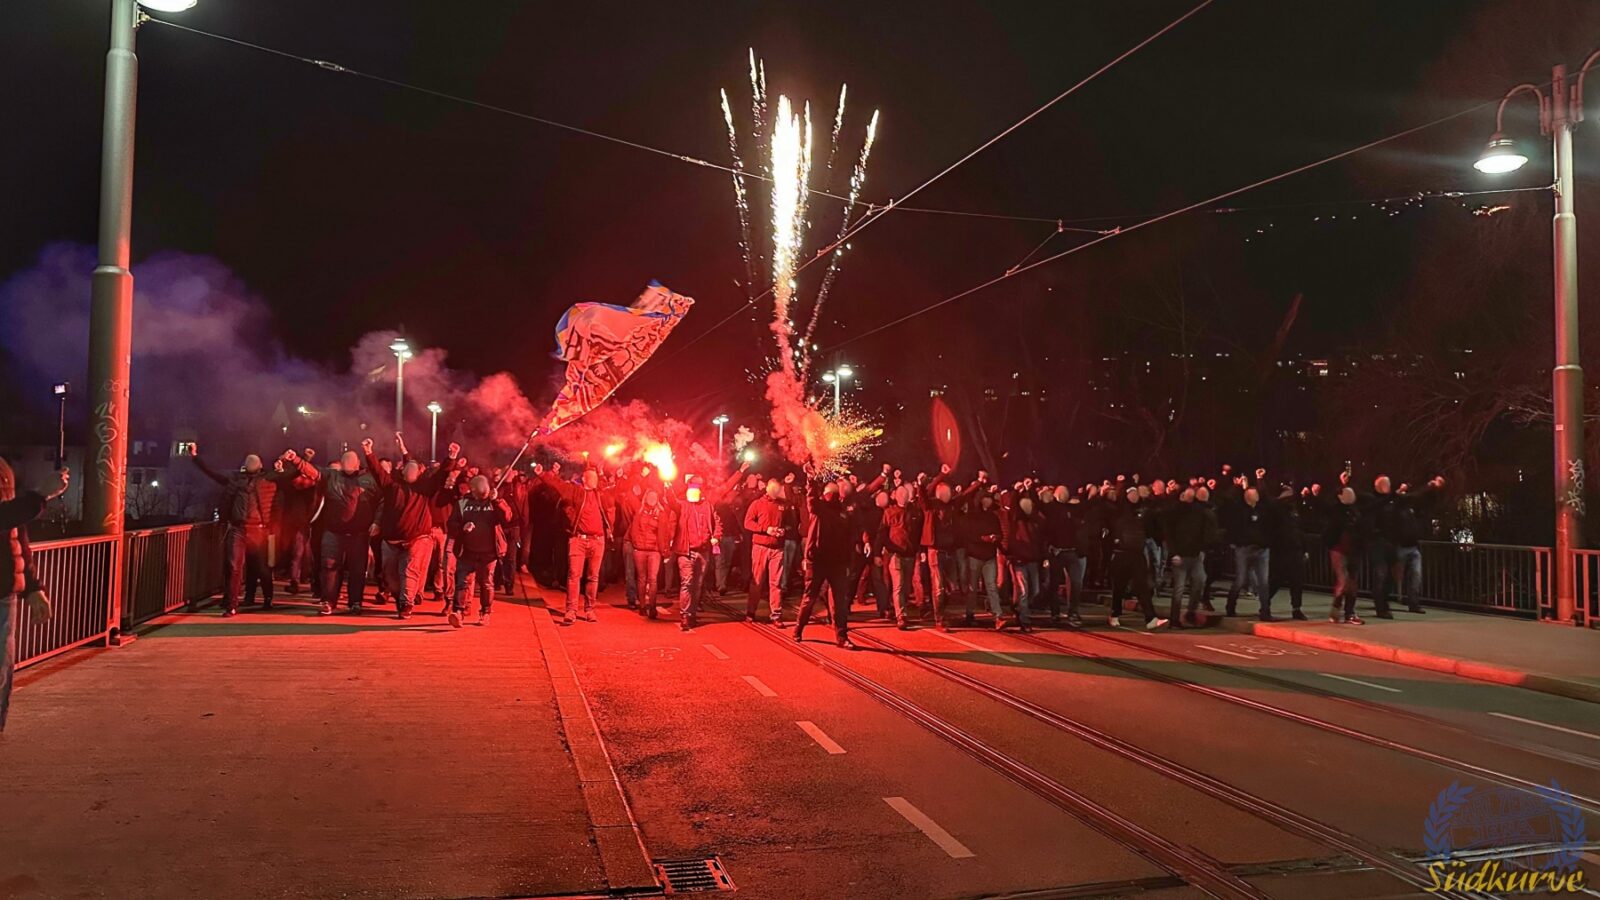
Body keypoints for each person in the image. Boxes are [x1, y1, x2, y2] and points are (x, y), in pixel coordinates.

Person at [190, 444, 318, 615]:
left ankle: (259, 600)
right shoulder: (254, 478)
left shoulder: (265, 478)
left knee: (256, 567)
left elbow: (213, 473)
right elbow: (292, 474)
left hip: (256, 529)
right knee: (236, 566)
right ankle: (234, 604)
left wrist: (195, 457)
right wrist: (195, 458)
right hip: (243, 528)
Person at [0, 461, 69, 732]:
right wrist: (40, 496)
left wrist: (32, 586)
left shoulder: (4, 466)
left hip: (5, 594)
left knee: (3, 677)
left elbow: (15, 530)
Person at [366, 434, 457, 619]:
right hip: (391, 540)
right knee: (391, 575)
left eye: (414, 470)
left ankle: (407, 604)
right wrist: (368, 453)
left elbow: (440, 476)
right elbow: (377, 472)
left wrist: (451, 458)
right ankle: (400, 597)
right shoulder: (392, 486)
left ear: (419, 474)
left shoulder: (424, 488)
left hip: (417, 539)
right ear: (403, 472)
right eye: (408, 469)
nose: (410, 472)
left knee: (409, 571)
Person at [539, 461, 617, 625]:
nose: (594, 480)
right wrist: (543, 474)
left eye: (595, 477)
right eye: (591, 477)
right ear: (584, 479)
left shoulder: (601, 494)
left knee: (593, 577)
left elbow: (615, 492)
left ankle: (589, 610)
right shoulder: (575, 492)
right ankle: (571, 610)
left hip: (598, 541)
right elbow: (558, 485)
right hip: (578, 540)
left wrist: (610, 475)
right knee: (574, 576)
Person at [313, 449, 381, 616]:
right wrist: (298, 460)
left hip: (359, 533)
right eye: (345, 460)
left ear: (358, 463)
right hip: (333, 532)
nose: (348, 463)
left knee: (358, 570)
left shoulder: (369, 480)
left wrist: (377, 522)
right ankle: (329, 601)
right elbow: (312, 471)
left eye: (351, 461)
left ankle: (355, 602)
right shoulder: (331, 477)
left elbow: (382, 501)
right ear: (341, 463)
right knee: (329, 566)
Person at [795, 470, 856, 649]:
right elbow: (811, 498)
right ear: (824, 494)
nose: (833, 496)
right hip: (818, 561)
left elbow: (848, 539)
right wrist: (811, 480)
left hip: (837, 562)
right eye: (830, 493)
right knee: (810, 598)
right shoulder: (818, 508)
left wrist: (848, 562)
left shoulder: (844, 513)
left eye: (835, 493)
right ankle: (798, 628)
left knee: (839, 602)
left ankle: (842, 636)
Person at [448, 475, 512, 627]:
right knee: (462, 582)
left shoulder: (494, 501)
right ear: (473, 490)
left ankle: (485, 612)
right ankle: (458, 611)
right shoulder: (463, 503)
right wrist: (462, 528)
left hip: (489, 552)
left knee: (486, 583)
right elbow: (451, 524)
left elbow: (507, 517)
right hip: (467, 550)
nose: (482, 497)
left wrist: (498, 501)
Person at [1107, 486, 1167, 630]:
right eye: (1131, 493)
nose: (1134, 496)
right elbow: (1111, 527)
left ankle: (1150, 618)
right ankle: (1115, 614)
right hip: (1122, 553)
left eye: (1136, 494)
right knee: (1120, 586)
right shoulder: (1119, 510)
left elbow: (1151, 527)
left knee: (1142, 585)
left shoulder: (1143, 510)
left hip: (1137, 552)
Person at [743, 477, 797, 625]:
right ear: (768, 489)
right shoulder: (757, 504)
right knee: (757, 581)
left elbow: (790, 524)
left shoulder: (783, 505)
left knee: (776, 582)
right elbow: (748, 522)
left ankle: (776, 614)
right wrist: (765, 529)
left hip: (777, 548)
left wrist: (783, 530)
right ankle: (751, 611)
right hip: (760, 547)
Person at [673, 476, 721, 631]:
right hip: (686, 551)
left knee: (697, 585)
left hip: (703, 551)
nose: (694, 491)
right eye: (691, 488)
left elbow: (717, 522)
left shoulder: (707, 506)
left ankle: (692, 614)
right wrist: (666, 485)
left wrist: (716, 536)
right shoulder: (682, 505)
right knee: (687, 583)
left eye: (697, 488)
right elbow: (670, 501)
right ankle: (685, 615)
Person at [998, 489, 1045, 631]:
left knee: (1035, 590)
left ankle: (1018, 607)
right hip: (1019, 559)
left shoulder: (1036, 521)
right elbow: (1013, 508)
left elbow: (1041, 541)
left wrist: (1031, 490)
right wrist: (1018, 492)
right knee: (1023, 590)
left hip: (1033, 559)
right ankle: (1025, 620)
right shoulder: (1016, 519)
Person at [626, 485, 674, 619]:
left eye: (654, 497)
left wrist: (665, 551)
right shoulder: (639, 512)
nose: (652, 499)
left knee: (652, 579)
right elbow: (634, 530)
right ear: (645, 498)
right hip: (640, 550)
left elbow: (665, 533)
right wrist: (636, 543)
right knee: (641, 579)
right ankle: (642, 606)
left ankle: (652, 607)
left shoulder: (662, 513)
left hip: (654, 551)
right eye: (650, 497)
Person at [276, 447, 320, 596]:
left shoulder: (298, 484)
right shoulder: (310, 484)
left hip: (301, 521)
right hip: (305, 521)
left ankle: (298, 581)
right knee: (304, 553)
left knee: (300, 553)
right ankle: (311, 582)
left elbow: (292, 477)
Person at [876, 484, 920, 630]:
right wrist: (878, 553)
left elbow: (918, 533)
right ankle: (901, 616)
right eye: (900, 494)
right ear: (896, 496)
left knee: (906, 587)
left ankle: (902, 610)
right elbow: (882, 533)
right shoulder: (889, 513)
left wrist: (920, 550)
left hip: (910, 554)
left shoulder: (914, 512)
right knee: (899, 586)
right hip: (895, 554)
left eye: (905, 494)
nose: (903, 497)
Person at [961, 489, 1005, 625]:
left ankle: (998, 616)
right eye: (985, 498)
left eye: (990, 498)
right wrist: (982, 538)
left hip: (989, 556)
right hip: (975, 555)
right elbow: (968, 535)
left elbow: (1000, 533)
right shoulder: (972, 516)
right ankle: (969, 613)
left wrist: (996, 538)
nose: (988, 501)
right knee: (973, 587)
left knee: (991, 586)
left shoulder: (993, 516)